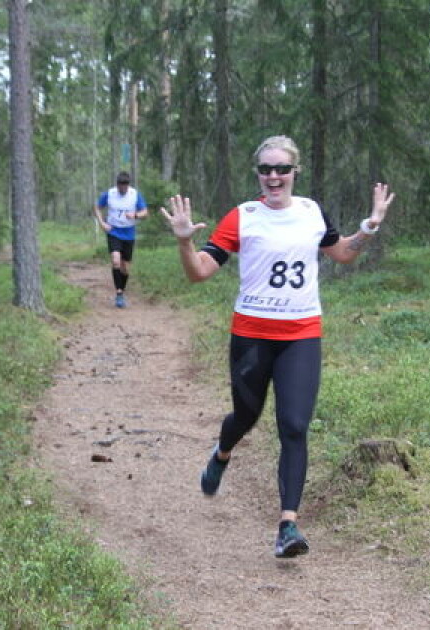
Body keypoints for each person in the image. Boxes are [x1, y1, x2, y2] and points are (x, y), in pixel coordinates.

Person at [160, 135, 394, 558]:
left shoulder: (312, 212)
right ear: (258, 175)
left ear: (294, 172)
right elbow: (198, 273)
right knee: (246, 416)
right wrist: (183, 241)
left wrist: (370, 226)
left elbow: (342, 255)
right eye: (265, 169)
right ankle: (223, 451)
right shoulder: (242, 218)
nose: (273, 176)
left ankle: (288, 525)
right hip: (251, 336)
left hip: (301, 335)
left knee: (294, 426)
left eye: (281, 169)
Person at [94, 171, 149, 308]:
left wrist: (135, 215)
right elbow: (97, 207)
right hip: (114, 231)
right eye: (120, 186)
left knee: (125, 267)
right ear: (117, 184)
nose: (122, 189)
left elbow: (145, 212)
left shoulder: (134, 194)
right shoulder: (110, 193)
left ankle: (122, 291)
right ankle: (118, 293)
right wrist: (102, 223)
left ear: (128, 185)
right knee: (115, 260)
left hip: (129, 233)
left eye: (125, 186)